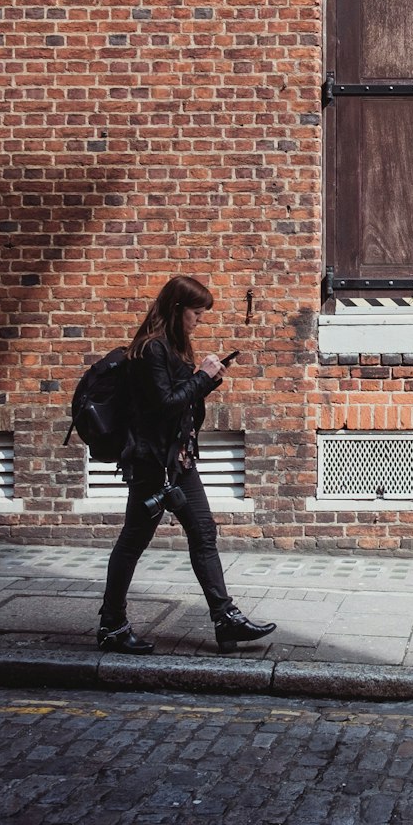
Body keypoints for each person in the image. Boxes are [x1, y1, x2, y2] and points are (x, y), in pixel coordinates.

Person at [97, 274, 276, 655]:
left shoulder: (174, 347)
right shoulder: (151, 349)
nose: (199, 321)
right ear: (177, 309)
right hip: (152, 463)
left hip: (177, 461)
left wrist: (205, 381)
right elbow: (163, 405)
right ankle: (112, 625)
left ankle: (225, 620)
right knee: (133, 541)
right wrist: (202, 378)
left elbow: (182, 407)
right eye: (196, 313)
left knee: (203, 532)